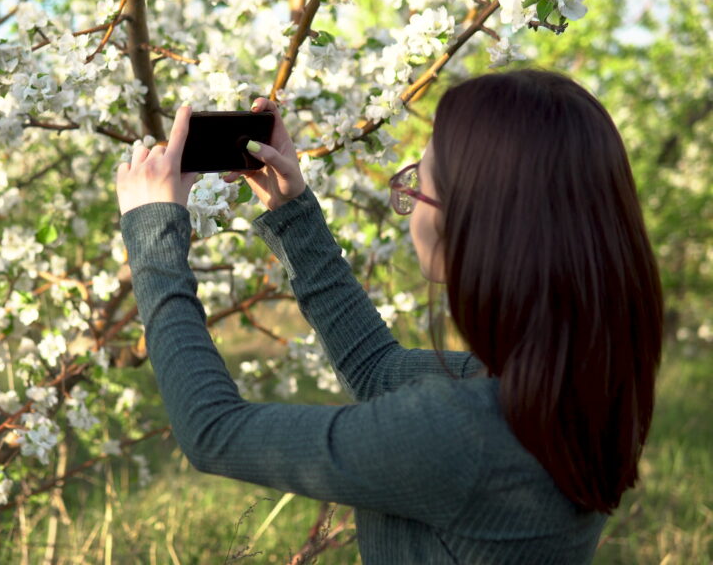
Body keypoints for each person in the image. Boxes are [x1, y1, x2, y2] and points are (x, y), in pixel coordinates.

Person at [114, 69, 663, 564]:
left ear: (474, 226)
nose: (406, 197)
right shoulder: (570, 391)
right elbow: (376, 369)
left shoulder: (464, 436)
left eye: (418, 184)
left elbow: (212, 432)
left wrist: (154, 239)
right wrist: (294, 213)